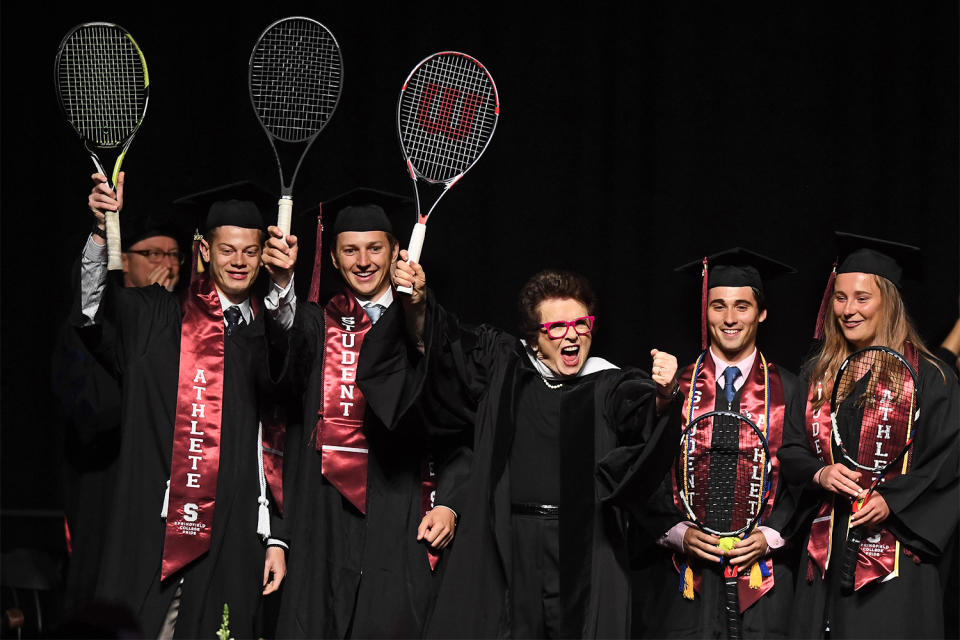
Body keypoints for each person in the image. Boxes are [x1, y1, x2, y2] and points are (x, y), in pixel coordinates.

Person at [391, 259, 682, 639]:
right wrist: (416, 305)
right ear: (533, 339)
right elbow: (444, 344)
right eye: (557, 327)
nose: (572, 336)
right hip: (513, 541)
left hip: (585, 545)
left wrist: (664, 393)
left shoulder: (609, 383)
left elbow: (642, 411)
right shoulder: (504, 368)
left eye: (581, 324)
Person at [73, 173, 298, 638]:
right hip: (155, 531)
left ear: (263, 257)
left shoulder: (271, 337)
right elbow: (94, 307)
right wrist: (101, 231)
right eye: (227, 249)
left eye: (250, 251)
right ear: (204, 249)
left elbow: (280, 439)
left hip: (235, 534)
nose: (238, 261)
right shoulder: (157, 317)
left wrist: (277, 535)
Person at [276, 189, 469, 639]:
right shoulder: (312, 325)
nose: (363, 261)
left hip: (402, 509)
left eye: (375, 248)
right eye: (350, 250)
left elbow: (460, 427)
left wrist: (452, 506)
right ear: (335, 258)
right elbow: (276, 357)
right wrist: (282, 283)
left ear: (396, 251)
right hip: (321, 513)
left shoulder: (428, 325)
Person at [777, 232, 959, 638]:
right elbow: (790, 448)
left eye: (862, 298)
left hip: (895, 561)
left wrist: (892, 502)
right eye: (840, 298)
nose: (847, 309)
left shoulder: (931, 378)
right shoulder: (818, 375)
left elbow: (947, 467)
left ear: (888, 303)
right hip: (824, 557)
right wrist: (820, 475)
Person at [633, 248, 800, 638]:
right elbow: (642, 477)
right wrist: (676, 532)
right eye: (717, 306)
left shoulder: (791, 389)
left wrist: (770, 535)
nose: (729, 319)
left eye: (742, 306)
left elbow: (801, 480)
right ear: (704, 311)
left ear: (761, 313)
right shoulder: (673, 389)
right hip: (683, 580)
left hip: (765, 581)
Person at [52, 176, 188, 613]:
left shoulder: (191, 330)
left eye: (173, 254)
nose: (165, 263)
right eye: (151, 254)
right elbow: (90, 417)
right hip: (105, 490)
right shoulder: (89, 329)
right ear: (123, 262)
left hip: (162, 498)